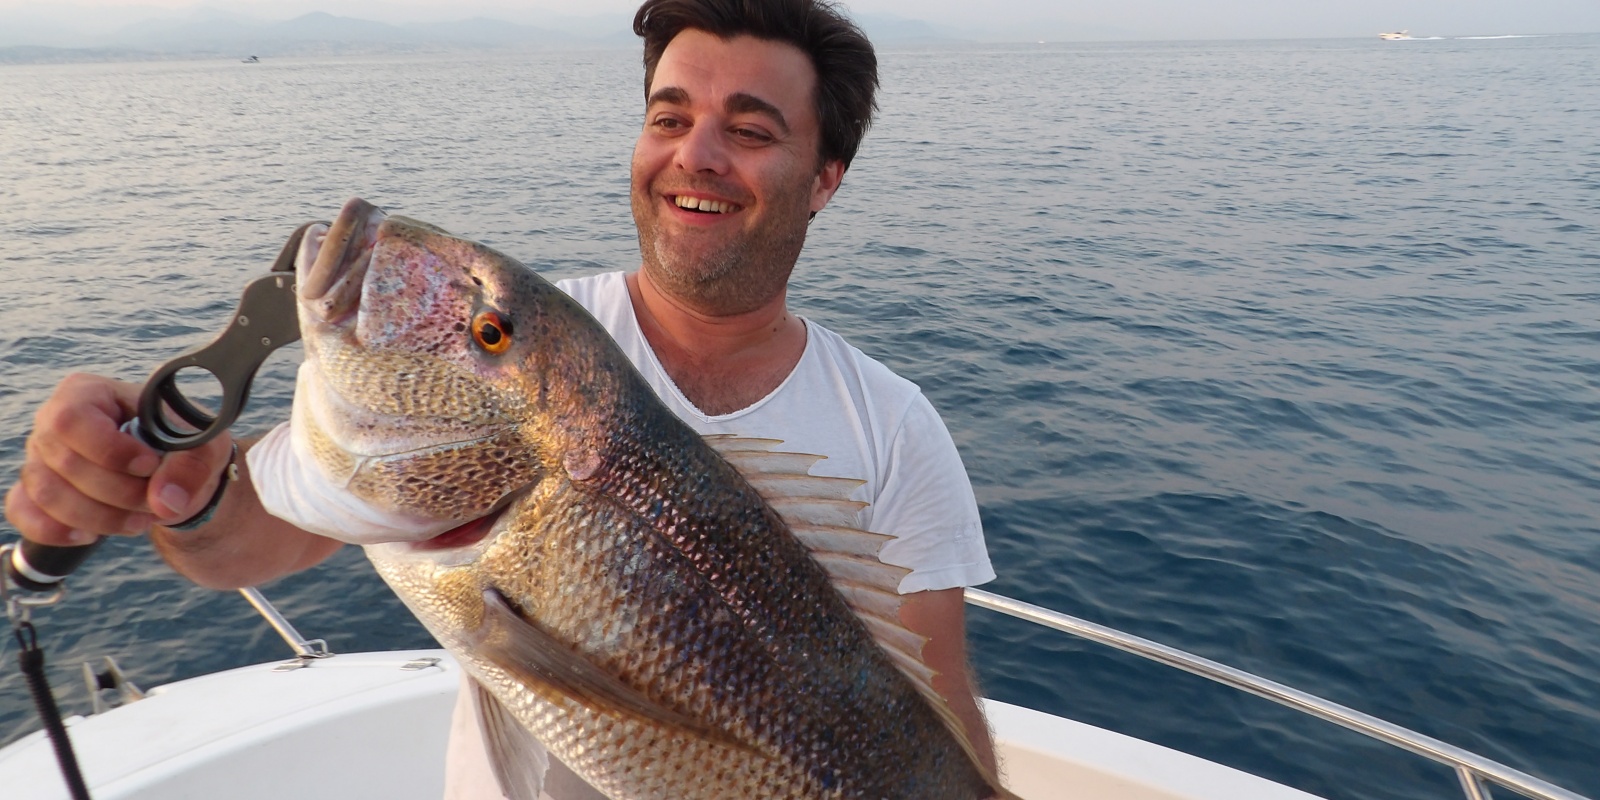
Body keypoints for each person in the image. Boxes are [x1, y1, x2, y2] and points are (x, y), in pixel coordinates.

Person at [5, 0, 999, 796]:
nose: (696, 153)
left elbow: (933, 723)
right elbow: (242, 535)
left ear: (822, 178)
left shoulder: (893, 428)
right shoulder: (559, 336)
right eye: (669, 117)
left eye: (748, 129)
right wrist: (169, 478)